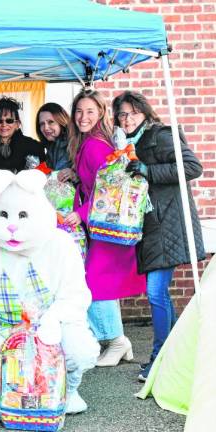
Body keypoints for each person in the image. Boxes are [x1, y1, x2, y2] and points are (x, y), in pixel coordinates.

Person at [112, 90, 205, 381]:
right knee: (157, 293)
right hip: (149, 226)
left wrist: (148, 170)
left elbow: (192, 167)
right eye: (122, 114)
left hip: (168, 224)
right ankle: (172, 356)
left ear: (145, 113)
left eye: (132, 113)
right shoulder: (129, 142)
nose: (126, 119)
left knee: (155, 292)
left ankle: (159, 359)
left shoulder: (161, 135)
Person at [63, 88, 146, 367]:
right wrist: (75, 174)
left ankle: (116, 341)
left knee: (95, 284)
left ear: (100, 113)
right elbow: (95, 179)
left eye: (89, 111)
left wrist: (80, 213)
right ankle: (117, 341)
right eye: (78, 111)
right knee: (98, 283)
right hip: (100, 224)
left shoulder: (96, 144)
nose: (83, 117)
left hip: (103, 223)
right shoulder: (88, 142)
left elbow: (110, 186)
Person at [35, 102, 77, 182]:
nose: (46, 128)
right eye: (42, 124)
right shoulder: (51, 145)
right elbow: (51, 172)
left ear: (61, 121)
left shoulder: (75, 142)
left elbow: (94, 172)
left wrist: (75, 175)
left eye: (51, 122)